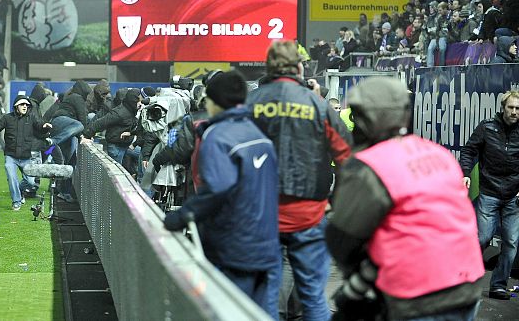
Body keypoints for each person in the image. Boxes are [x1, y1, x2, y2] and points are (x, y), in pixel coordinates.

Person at [327, 77, 484, 319]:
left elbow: (343, 239)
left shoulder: (369, 166)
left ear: (365, 120)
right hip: (468, 284)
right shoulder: (437, 152)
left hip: (417, 294)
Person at [245, 41, 352, 321]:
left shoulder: (251, 103)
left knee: (267, 291)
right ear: (300, 67)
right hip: (309, 212)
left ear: (268, 66)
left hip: (261, 213)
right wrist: (335, 203)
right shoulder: (317, 104)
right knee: (313, 295)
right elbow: (347, 157)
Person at [163, 71, 280, 317]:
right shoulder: (259, 134)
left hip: (234, 246)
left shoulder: (217, 136)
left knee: (228, 312)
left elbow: (218, 188)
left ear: (214, 101)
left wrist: (181, 216)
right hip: (267, 243)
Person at [460, 90, 519, 300]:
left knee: (511, 243)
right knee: (483, 237)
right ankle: (464, 278)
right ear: (503, 108)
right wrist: (466, 173)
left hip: (513, 196)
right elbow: (469, 150)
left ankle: (499, 286)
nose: (514, 112)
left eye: (518, 109)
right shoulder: (487, 127)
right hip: (489, 192)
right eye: (511, 107)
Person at [0, 95, 51, 210]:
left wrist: (45, 127)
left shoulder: (32, 117)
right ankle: (16, 201)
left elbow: (39, 125)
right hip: (10, 156)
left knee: (31, 182)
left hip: (26, 157)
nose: (25, 106)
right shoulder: (7, 118)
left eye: (27, 105)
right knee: (12, 177)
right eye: (22, 104)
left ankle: (17, 191)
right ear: (16, 106)